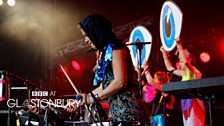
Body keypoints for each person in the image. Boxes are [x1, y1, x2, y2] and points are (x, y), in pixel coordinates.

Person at [67, 14, 148, 125]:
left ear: (95, 32)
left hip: (131, 115)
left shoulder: (116, 47)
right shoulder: (106, 52)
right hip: (119, 116)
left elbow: (120, 82)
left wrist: (92, 99)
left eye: (86, 35)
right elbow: (104, 86)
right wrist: (84, 98)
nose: (86, 40)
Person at [160, 38, 205, 126]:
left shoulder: (194, 72)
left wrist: (179, 45)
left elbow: (186, 62)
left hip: (194, 102)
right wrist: (163, 52)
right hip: (185, 101)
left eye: (180, 60)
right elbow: (169, 68)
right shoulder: (184, 74)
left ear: (189, 60)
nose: (179, 63)